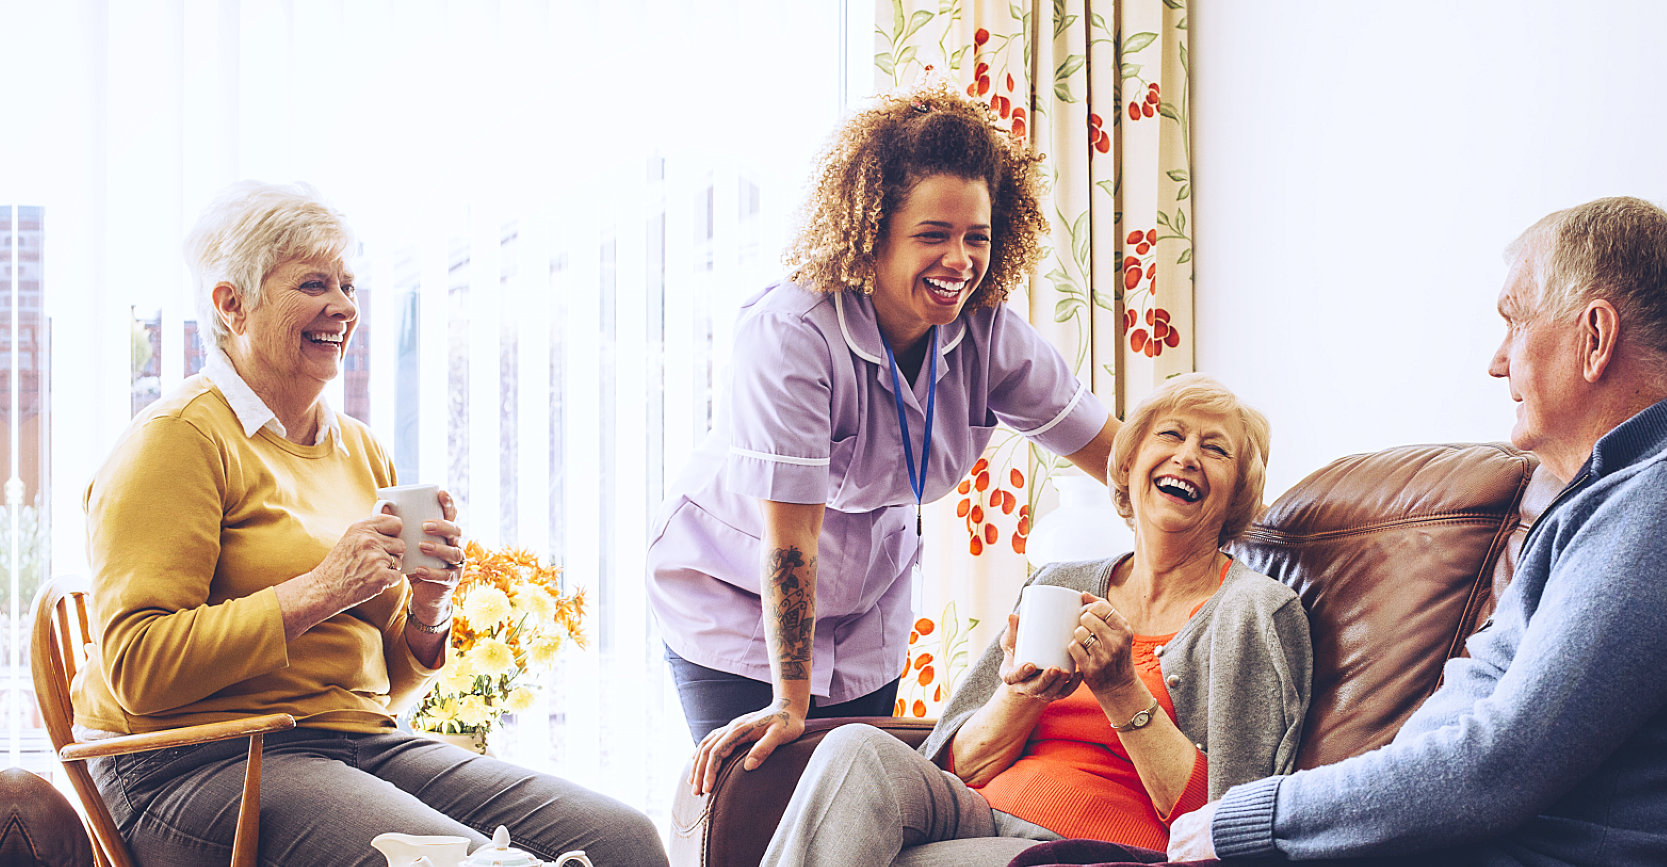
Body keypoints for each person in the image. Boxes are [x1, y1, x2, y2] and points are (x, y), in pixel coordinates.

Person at [73, 181, 666, 866]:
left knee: (623, 841)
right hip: (189, 762)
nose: (345, 307)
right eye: (314, 283)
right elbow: (136, 667)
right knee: (466, 863)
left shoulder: (358, 447)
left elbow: (388, 679)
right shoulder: (177, 440)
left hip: (354, 739)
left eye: (349, 284)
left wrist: (430, 608)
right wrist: (321, 588)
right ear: (231, 304)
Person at [1158, 196, 1667, 864]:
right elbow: (1464, 716)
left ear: (1594, 338)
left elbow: (1499, 761)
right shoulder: (1604, 497)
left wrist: (1254, 818)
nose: (1498, 362)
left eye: (1514, 322)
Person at [648, 80, 1122, 791]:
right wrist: (789, 698)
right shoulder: (793, 333)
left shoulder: (989, 335)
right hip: (737, 599)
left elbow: (1122, 458)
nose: (959, 260)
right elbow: (791, 539)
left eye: (976, 238)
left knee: (848, 815)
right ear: (871, 233)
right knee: (759, 805)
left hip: (866, 610)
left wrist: (1237, 522)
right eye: (932, 235)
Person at [760, 374, 1312, 865]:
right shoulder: (1059, 584)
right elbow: (958, 768)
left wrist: (1122, 690)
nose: (1187, 456)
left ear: (1238, 492)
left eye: (1214, 449)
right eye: (1170, 436)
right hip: (977, 817)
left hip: (1094, 847)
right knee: (853, 749)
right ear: (1129, 463)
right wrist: (1020, 696)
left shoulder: (1253, 611)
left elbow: (1229, 823)